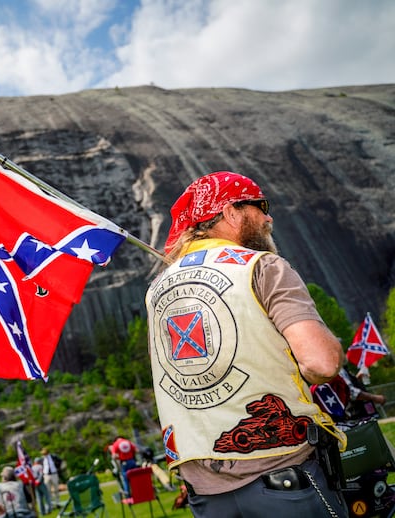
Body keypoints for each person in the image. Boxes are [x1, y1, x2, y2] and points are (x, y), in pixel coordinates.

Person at [145, 171, 348, 517]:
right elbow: (321, 363)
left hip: (205, 493)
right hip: (284, 482)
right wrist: (334, 344)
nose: (268, 217)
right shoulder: (263, 267)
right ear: (231, 212)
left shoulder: (158, 287)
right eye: (260, 205)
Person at [311, 365, 386, 428]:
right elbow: (351, 393)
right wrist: (376, 398)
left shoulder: (338, 368)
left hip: (349, 419)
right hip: (350, 419)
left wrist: (356, 379)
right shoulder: (336, 368)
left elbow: (345, 388)